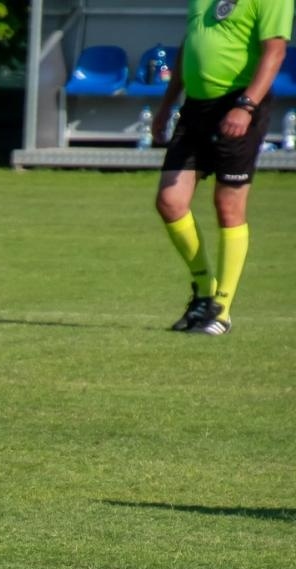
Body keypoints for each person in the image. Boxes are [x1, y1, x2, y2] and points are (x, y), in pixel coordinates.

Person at [151, 0, 291, 335]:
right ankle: (204, 292)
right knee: (170, 201)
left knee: (227, 206)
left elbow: (275, 52)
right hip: (195, 109)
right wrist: (167, 104)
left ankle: (221, 310)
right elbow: (190, 46)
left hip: (239, 104)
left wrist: (246, 106)